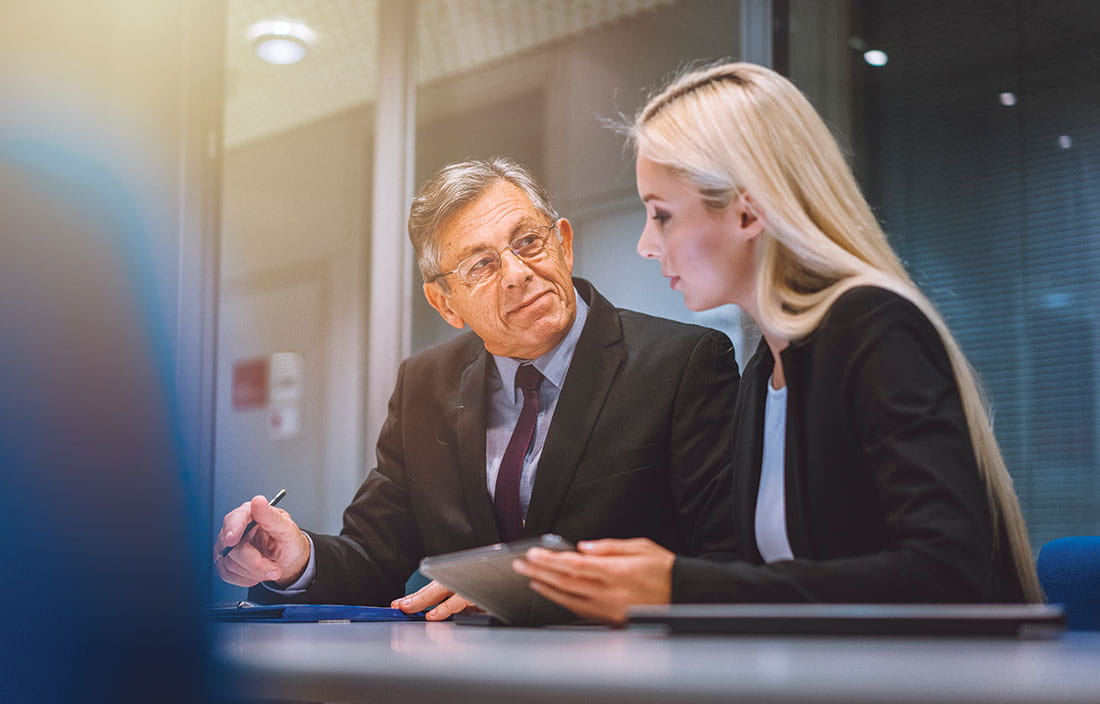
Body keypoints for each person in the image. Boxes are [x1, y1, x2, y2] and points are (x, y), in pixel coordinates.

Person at [512, 62, 1043, 624]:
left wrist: (679, 587)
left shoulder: (872, 326)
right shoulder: (767, 367)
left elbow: (945, 574)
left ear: (747, 211)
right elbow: (769, 580)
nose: (648, 244)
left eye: (662, 215)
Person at [214, 157, 740, 620]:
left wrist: (527, 591)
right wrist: (296, 558)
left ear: (564, 243)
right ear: (446, 305)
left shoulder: (683, 363)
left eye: (528, 242)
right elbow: (375, 556)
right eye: (481, 265)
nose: (516, 274)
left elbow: (726, 563)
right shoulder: (425, 384)